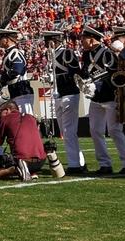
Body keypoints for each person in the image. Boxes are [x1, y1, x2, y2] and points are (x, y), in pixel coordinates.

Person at [79, 26, 125, 175]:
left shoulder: (107, 53)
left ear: (91, 39)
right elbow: (85, 71)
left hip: (110, 97)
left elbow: (115, 74)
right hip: (95, 99)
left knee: (115, 131)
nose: (81, 42)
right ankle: (104, 164)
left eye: (83, 39)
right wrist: (85, 82)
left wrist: (96, 85)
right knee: (95, 131)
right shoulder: (86, 54)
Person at [46, 30, 85, 173]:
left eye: (48, 41)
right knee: (64, 131)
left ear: (54, 41)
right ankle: (80, 161)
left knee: (69, 131)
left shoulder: (67, 53)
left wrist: (56, 77)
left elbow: (75, 72)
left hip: (69, 93)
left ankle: (74, 165)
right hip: (59, 95)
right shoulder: (51, 56)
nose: (46, 45)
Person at [0, 101, 46, 181]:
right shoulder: (31, 117)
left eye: (0, 112)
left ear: (7, 110)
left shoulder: (6, 118)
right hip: (41, 162)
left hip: (23, 160)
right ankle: (31, 172)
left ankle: (14, 169)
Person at [0, 29, 34, 115]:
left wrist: (2, 78)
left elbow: (17, 70)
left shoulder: (15, 53)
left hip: (22, 91)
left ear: (7, 39)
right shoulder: (9, 53)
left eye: (1, 38)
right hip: (16, 92)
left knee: (25, 121)